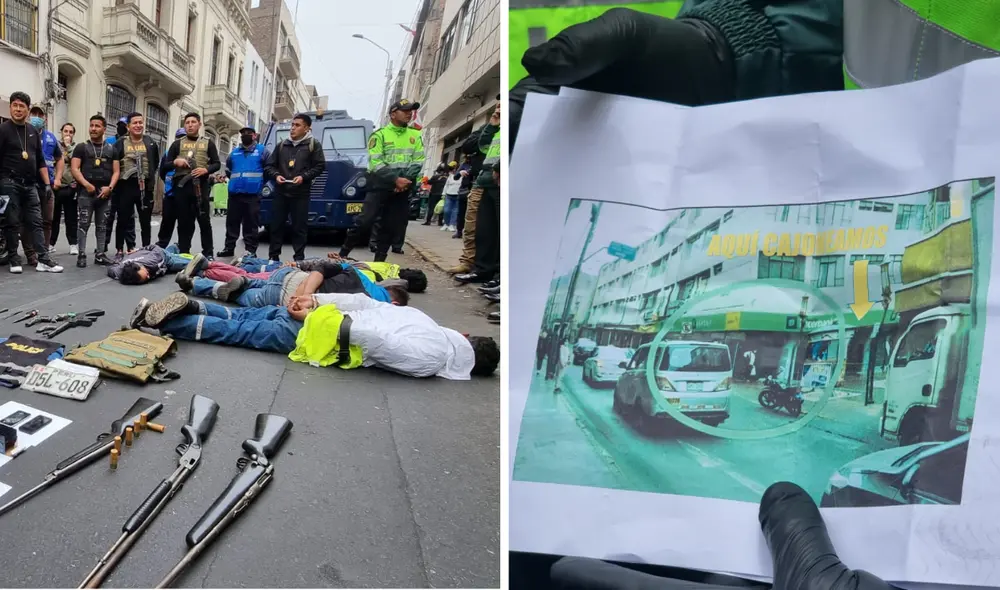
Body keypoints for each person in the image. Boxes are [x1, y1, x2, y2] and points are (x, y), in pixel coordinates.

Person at [131, 292, 501, 380]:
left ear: (465, 336)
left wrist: (317, 301)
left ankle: (192, 305)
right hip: (320, 335)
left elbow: (364, 303)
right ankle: (161, 321)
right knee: (240, 330)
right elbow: (375, 342)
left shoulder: (424, 320)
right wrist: (315, 317)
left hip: (321, 315)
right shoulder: (433, 360)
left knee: (244, 316)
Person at [339, 99, 424, 262]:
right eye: (405, 111)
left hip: (402, 189)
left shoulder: (415, 135)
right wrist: (395, 179)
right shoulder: (380, 135)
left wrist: (404, 181)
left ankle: (379, 262)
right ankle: (342, 254)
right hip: (379, 186)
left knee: (390, 226)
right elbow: (376, 162)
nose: (409, 114)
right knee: (364, 221)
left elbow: (418, 160)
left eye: (410, 111)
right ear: (393, 114)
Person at [174, 252, 411, 308]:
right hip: (285, 296)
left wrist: (303, 278)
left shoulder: (360, 273)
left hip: (291, 276)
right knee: (242, 295)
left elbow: (321, 266)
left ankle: (207, 271)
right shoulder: (369, 307)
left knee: (252, 278)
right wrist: (306, 297)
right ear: (394, 303)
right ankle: (197, 284)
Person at [0, 91, 63, 274]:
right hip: (8, 182)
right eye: (15, 105)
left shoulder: (33, 131)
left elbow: (40, 160)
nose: (18, 109)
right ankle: (14, 259)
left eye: (22, 106)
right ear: (10, 107)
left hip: (30, 184)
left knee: (37, 221)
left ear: (27, 110)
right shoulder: (3, 130)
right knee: (12, 222)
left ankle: (43, 259)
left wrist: (47, 184)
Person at [264, 114, 325, 262]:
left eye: (297, 125)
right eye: (292, 125)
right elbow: (269, 166)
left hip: (301, 193)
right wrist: (276, 176)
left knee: (299, 228)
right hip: (281, 192)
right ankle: (273, 257)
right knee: (276, 226)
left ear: (306, 128)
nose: (292, 128)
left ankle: (299, 259)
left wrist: (304, 177)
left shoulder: (313, 145)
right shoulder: (282, 145)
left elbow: (320, 166)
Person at [455, 96, 501, 286]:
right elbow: (480, 147)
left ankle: (497, 275)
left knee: (499, 231)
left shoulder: (515, 121)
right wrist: (491, 126)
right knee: (483, 230)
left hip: (500, 181)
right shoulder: (494, 126)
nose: (499, 107)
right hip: (485, 180)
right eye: (498, 104)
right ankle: (480, 269)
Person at [160, 113, 221, 255]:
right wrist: (175, 162)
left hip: (200, 186)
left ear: (199, 124)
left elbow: (217, 164)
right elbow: (165, 166)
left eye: (193, 122)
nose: (190, 125)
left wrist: (206, 170)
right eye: (187, 122)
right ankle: (184, 252)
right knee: (184, 221)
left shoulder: (208, 143)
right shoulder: (177, 144)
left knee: (204, 220)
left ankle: (208, 253)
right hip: (181, 187)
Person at [71, 114, 120, 268]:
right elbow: (74, 168)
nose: (93, 128)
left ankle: (100, 255)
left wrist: (110, 188)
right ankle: (81, 254)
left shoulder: (112, 149)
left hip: (105, 194)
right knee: (83, 224)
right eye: (91, 125)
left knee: (102, 225)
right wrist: (86, 185)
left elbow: (116, 172)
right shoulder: (81, 147)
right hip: (86, 193)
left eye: (97, 126)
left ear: (104, 129)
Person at [111, 111, 159, 257]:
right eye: (135, 123)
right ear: (128, 126)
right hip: (125, 187)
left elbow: (155, 162)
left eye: (140, 122)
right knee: (123, 219)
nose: (138, 125)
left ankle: (146, 249)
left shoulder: (150, 142)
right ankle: (119, 249)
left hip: (144, 186)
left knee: (145, 221)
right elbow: (114, 163)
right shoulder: (120, 143)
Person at [220, 127, 268, 257]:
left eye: (248, 133)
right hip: (235, 193)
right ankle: (229, 248)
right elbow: (229, 169)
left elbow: (268, 170)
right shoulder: (234, 153)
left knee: (251, 224)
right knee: (232, 223)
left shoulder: (262, 151)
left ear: (254, 136)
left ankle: (250, 250)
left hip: (253, 194)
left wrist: (259, 183)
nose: (245, 135)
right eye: (242, 134)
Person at [28, 105, 63, 254]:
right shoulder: (24, 134)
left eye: (40, 115)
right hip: (29, 184)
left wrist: (58, 178)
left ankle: (44, 251)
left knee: (48, 220)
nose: (36, 117)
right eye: (33, 114)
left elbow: (59, 158)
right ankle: (31, 253)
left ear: (45, 119)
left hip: (48, 185)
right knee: (30, 220)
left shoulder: (51, 137)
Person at [155, 128, 188, 249]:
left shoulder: (191, 153)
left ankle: (183, 247)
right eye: (179, 137)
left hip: (185, 194)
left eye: (183, 137)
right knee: (167, 221)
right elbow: (162, 171)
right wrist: (170, 183)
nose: (181, 140)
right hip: (170, 193)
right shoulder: (168, 152)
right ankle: (161, 245)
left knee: (184, 222)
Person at [50, 122, 78, 255]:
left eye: (71, 132)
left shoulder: (76, 148)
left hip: (70, 186)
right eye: (65, 131)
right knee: (53, 217)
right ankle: (50, 243)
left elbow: (76, 162)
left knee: (71, 217)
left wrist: (68, 147)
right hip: (56, 186)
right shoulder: (55, 146)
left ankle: (73, 244)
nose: (68, 134)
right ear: (61, 132)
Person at [107, 243, 191, 285]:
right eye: (145, 279)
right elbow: (111, 269)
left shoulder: (153, 260)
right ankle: (173, 247)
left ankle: (173, 251)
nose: (148, 277)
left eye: (147, 274)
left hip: (164, 257)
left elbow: (155, 247)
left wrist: (139, 249)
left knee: (190, 265)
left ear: (141, 266)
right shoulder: (119, 271)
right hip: (147, 256)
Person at [440, 161, 465, 233]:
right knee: (446, 210)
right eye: (452, 169)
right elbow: (446, 185)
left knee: (455, 211)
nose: (454, 170)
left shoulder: (462, 176)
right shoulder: (450, 176)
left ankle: (452, 224)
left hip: (457, 195)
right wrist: (443, 194)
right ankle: (446, 224)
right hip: (449, 194)